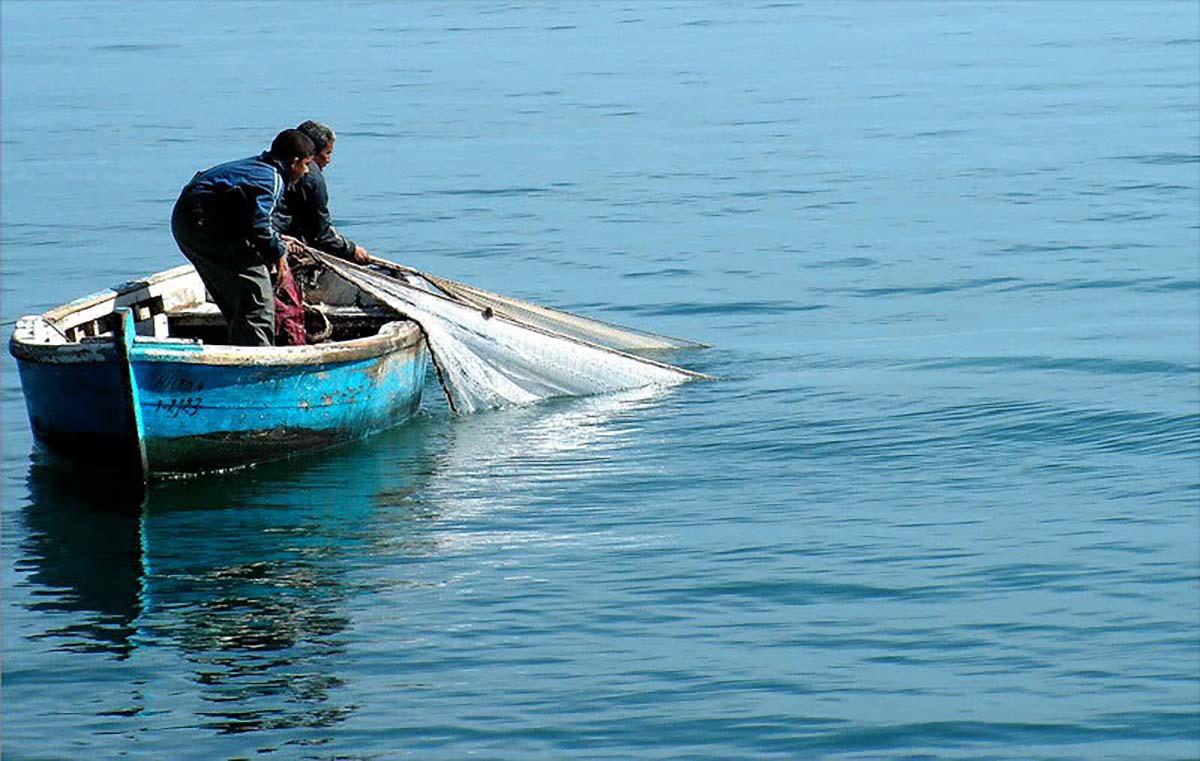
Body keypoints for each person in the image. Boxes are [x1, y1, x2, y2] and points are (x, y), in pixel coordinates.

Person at [171, 129, 314, 346]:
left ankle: (240, 348)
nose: (306, 171)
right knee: (257, 294)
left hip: (187, 222)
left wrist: (275, 244)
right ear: (294, 162)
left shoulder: (257, 168)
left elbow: (252, 220)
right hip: (202, 225)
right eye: (306, 164)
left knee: (238, 296)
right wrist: (278, 253)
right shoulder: (272, 179)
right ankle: (259, 362)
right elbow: (261, 227)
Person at [274, 119, 370, 264]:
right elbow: (321, 234)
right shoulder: (311, 176)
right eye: (327, 153)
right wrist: (352, 250)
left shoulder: (272, 166)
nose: (328, 160)